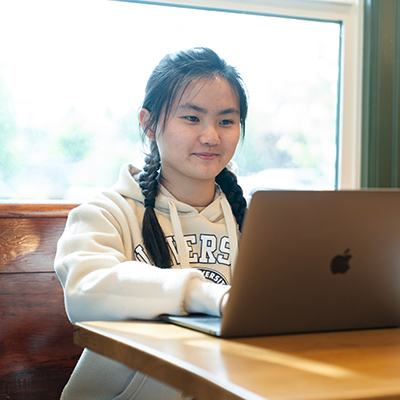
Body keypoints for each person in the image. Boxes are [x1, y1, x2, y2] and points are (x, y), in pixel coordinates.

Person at [54, 47, 248, 400]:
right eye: (192, 118)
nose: (211, 136)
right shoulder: (105, 213)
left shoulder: (253, 222)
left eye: (226, 121)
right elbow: (85, 290)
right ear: (149, 123)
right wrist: (203, 294)